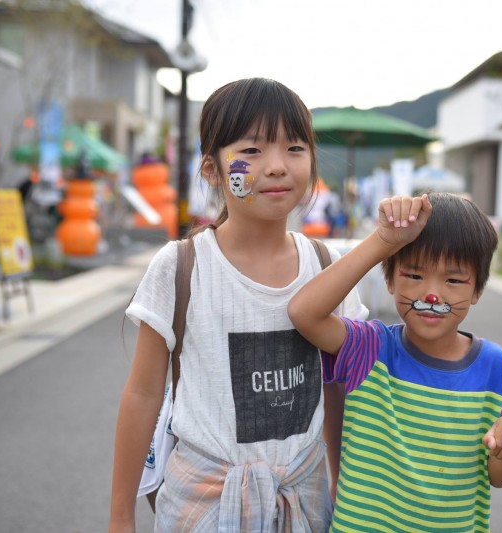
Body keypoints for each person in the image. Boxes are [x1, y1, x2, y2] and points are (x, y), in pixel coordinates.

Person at [109, 78, 367, 532]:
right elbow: (143, 394)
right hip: (201, 507)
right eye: (250, 151)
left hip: (301, 506)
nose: (276, 167)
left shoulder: (329, 269)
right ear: (211, 169)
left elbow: (340, 391)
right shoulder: (181, 266)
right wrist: (120, 517)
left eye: (294, 148)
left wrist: (343, 487)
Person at [288, 192, 502, 532]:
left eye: (453, 280)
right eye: (415, 276)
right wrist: (382, 241)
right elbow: (304, 313)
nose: (431, 295)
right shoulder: (369, 348)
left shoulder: (496, 368)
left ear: (477, 290)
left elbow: (499, 478)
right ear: (389, 280)